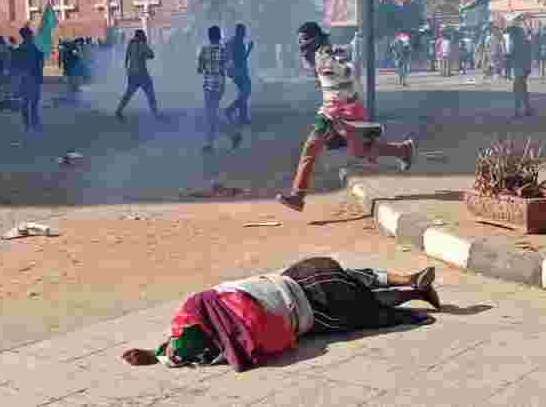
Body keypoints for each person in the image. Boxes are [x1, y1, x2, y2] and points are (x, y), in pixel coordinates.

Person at [122, 258, 439, 372]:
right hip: (298, 274)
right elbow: (187, 335)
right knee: (355, 275)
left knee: (368, 311)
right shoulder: (207, 300)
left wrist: (157, 355)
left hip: (314, 309)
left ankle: (414, 293)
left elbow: (187, 349)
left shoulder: (232, 337)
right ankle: (408, 278)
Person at [278, 22, 415, 212]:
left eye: (304, 40)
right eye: (299, 41)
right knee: (359, 152)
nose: (301, 45)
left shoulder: (327, 54)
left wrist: (340, 83)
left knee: (313, 148)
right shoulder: (318, 56)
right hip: (333, 112)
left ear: (314, 39)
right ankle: (402, 151)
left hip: (343, 112)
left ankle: (298, 195)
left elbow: (348, 72)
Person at [197, 26, 242, 153]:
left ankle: (212, 143)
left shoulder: (204, 50)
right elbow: (230, 69)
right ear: (219, 36)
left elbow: (200, 69)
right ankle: (231, 135)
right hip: (220, 85)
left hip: (208, 85)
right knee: (212, 114)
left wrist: (207, 67)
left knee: (211, 115)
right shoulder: (224, 51)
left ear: (209, 36)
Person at [115, 29, 160, 121]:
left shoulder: (131, 44)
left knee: (128, 94)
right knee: (150, 94)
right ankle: (155, 113)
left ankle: (119, 111)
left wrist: (127, 71)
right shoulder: (143, 45)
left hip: (132, 74)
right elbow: (151, 55)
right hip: (142, 75)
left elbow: (127, 58)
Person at [13, 27, 46, 132]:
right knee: (34, 103)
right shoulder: (36, 48)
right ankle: (34, 124)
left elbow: (15, 67)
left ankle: (27, 125)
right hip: (34, 77)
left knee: (25, 102)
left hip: (24, 78)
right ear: (29, 35)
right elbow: (41, 64)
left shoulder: (19, 49)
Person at [225, 24, 254, 125]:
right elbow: (241, 59)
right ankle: (229, 110)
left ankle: (243, 117)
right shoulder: (238, 43)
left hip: (236, 71)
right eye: (244, 31)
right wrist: (249, 49)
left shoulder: (233, 41)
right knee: (246, 91)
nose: (245, 33)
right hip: (240, 71)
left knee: (243, 93)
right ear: (240, 32)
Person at [507, 15, 534, 118]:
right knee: (523, 88)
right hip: (525, 66)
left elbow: (512, 53)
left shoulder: (516, 39)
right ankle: (527, 109)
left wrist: (508, 56)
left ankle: (518, 110)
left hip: (520, 66)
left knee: (517, 88)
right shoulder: (523, 38)